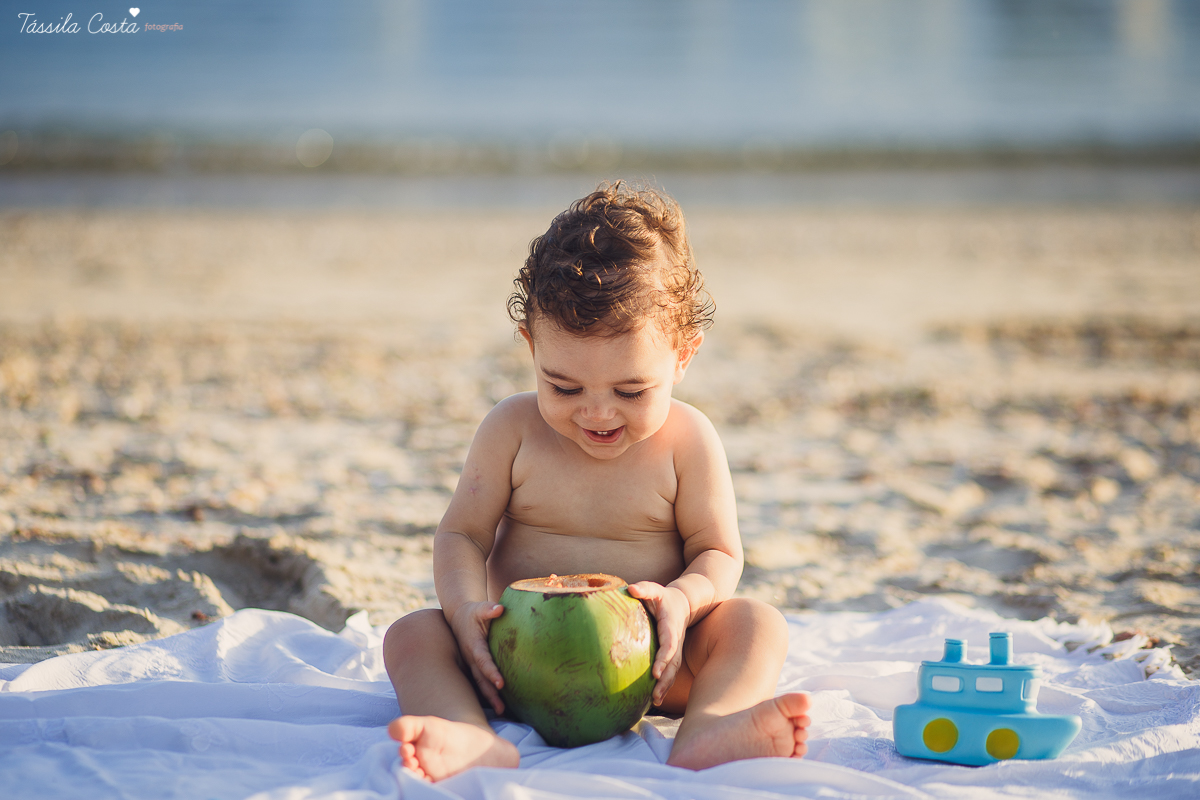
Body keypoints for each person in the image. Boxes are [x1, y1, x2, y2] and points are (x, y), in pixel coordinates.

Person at [384, 182, 810, 781]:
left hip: (653, 671)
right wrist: (462, 612)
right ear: (531, 348)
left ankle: (712, 726)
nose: (597, 413)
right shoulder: (512, 428)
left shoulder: (689, 441)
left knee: (758, 624)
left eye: (631, 391)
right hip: (512, 667)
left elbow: (718, 550)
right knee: (411, 636)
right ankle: (465, 733)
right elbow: (463, 535)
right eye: (563, 387)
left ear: (683, 357)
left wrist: (683, 603)